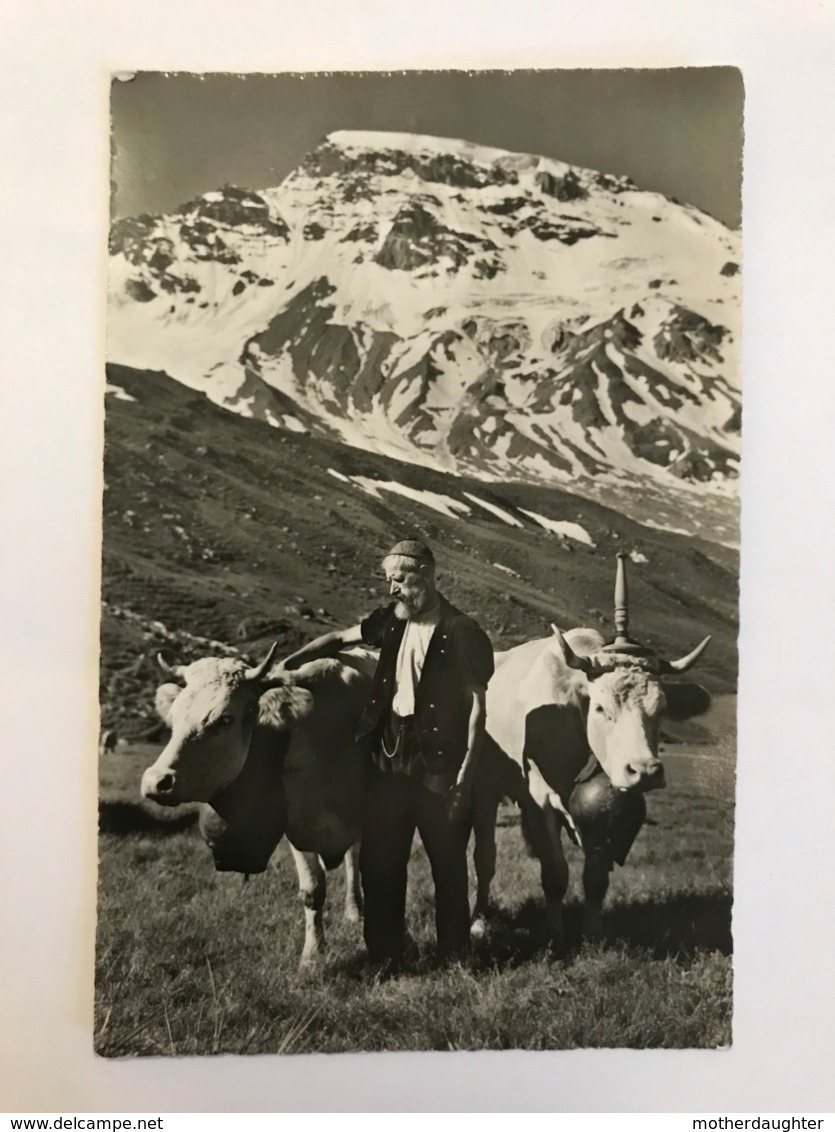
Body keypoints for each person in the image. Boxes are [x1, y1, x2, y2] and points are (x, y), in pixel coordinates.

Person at [280, 538, 494, 970]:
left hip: (440, 763)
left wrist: (463, 778)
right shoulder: (391, 621)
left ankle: (455, 956)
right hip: (387, 759)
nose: (392, 589)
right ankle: (385, 955)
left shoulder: (464, 631)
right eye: (388, 581)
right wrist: (286, 669)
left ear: (426, 575)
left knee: (448, 865)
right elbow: (338, 637)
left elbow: (477, 710)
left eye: (398, 579)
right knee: (381, 864)